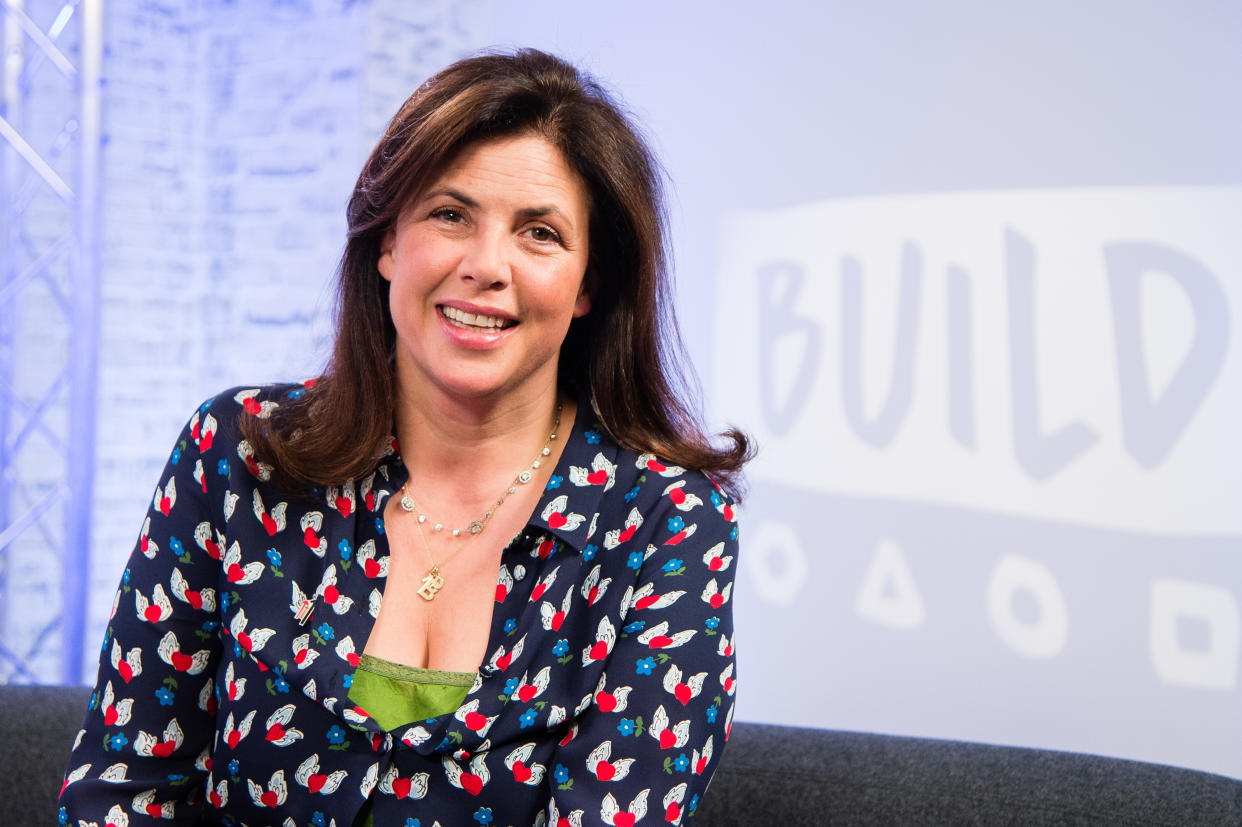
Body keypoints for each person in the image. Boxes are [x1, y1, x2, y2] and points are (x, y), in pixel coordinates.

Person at [60, 49, 750, 826]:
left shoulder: (667, 522)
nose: (487, 267)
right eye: (450, 214)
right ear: (388, 243)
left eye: (540, 234)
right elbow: (120, 793)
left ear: (589, 282)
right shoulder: (239, 453)